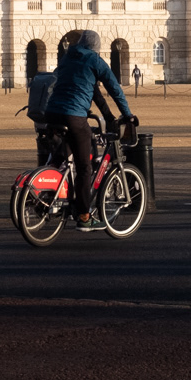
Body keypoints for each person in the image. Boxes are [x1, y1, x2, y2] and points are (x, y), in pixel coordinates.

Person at [43, 29, 133, 231]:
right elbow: (114, 89)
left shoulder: (68, 58)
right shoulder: (94, 60)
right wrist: (127, 114)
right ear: (96, 48)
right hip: (73, 115)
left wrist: (108, 116)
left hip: (51, 112)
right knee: (85, 167)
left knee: (66, 153)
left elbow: (94, 93)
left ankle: (49, 191)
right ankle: (84, 216)